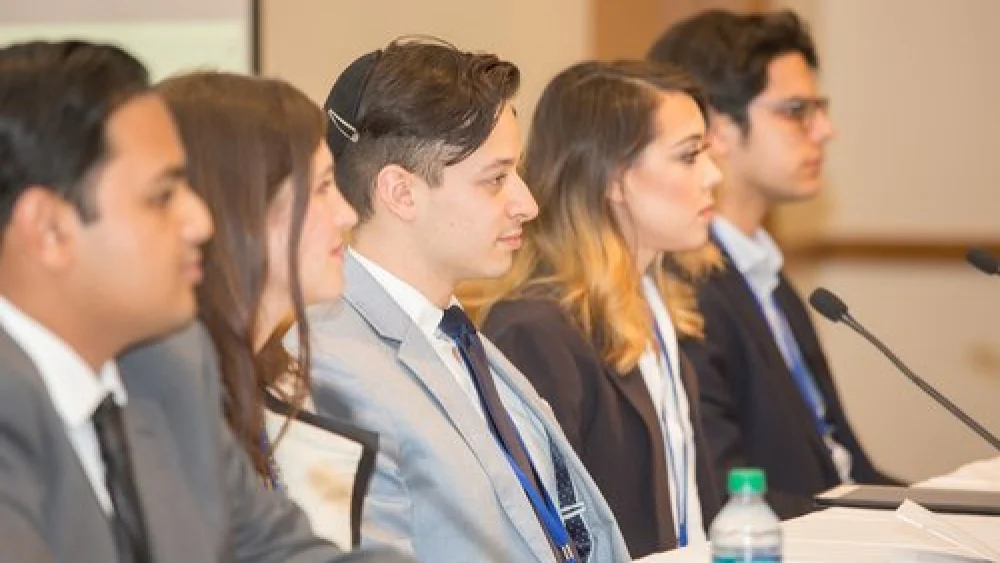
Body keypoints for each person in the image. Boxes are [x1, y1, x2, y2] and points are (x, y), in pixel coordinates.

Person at [0, 39, 408, 563]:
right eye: (161, 196)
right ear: (48, 229)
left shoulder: (168, 366)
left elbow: (279, 550)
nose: (200, 221)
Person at [298, 39, 631, 562]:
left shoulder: (456, 334)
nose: (527, 203)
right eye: (496, 179)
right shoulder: (326, 368)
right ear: (401, 193)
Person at [648, 10, 899, 518]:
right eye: (795, 111)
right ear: (716, 128)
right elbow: (722, 492)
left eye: (819, 109)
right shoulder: (682, 289)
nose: (824, 130)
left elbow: (849, 470)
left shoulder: (768, 275)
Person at [476, 60, 723, 558]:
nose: (714, 175)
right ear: (613, 177)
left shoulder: (661, 311)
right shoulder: (534, 333)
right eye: (689, 155)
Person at [157, 71, 375, 547]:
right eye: (323, 187)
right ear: (242, 206)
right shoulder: (166, 402)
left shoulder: (267, 373)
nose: (347, 215)